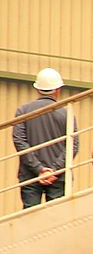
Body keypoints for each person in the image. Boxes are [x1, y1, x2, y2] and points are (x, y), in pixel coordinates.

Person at [11, 67, 74, 207]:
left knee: (30, 219)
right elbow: (72, 144)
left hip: (30, 176)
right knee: (57, 220)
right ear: (58, 90)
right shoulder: (66, 113)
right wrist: (54, 170)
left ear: (37, 89)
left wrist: (39, 169)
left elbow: (20, 142)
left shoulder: (23, 111)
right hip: (59, 177)